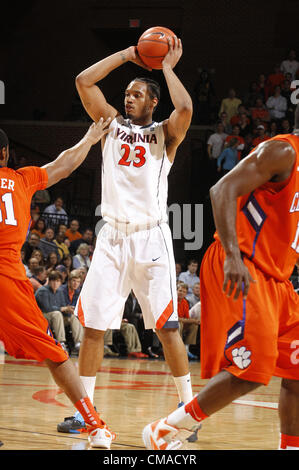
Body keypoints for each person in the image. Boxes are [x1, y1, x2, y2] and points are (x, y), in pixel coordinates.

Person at [57, 36, 197, 441]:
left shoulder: (166, 134)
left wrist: (166, 67)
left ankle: (186, 411)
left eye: (138, 94)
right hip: (112, 238)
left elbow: (185, 107)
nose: (130, 98)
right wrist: (128, 56)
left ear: (154, 102)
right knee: (95, 327)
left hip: (150, 239)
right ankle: (86, 412)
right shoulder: (110, 124)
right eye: (127, 94)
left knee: (166, 326)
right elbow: (84, 81)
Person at [142, 105, 299, 451]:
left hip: (279, 280)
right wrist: (232, 255)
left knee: (298, 373)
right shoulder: (283, 151)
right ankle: (166, 429)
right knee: (252, 369)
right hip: (242, 264)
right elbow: (221, 190)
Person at [0, 122, 118, 449]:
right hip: (6, 279)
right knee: (56, 354)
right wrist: (92, 137)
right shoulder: (20, 179)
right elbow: (64, 164)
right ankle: (95, 427)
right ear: (5, 155)